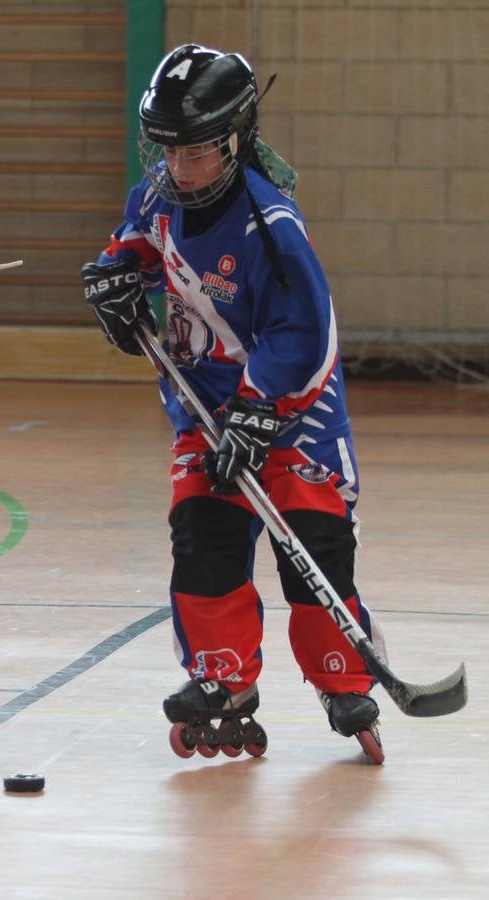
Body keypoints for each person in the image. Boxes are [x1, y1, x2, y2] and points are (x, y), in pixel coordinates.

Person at [82, 44, 385, 762]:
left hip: (293, 421)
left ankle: (342, 676)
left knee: (314, 556)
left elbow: (304, 333)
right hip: (203, 414)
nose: (179, 169)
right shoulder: (158, 198)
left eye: (196, 153)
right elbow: (130, 251)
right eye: (168, 151)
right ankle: (222, 677)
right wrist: (114, 284)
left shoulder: (270, 227)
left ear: (235, 139)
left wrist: (258, 409)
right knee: (203, 543)